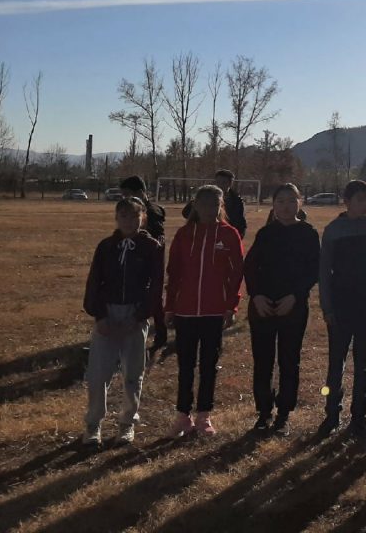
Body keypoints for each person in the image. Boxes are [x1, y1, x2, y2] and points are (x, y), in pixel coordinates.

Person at [81, 197, 164, 446]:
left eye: (135, 216)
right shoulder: (106, 247)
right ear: (116, 218)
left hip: (135, 315)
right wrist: (100, 316)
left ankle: (127, 422)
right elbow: (94, 282)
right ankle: (93, 423)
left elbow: (155, 286)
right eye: (124, 216)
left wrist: (139, 317)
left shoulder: (151, 247)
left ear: (143, 218)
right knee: (98, 374)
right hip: (108, 313)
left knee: (133, 374)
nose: (129, 221)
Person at [165, 184, 244, 438]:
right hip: (185, 312)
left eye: (215, 205)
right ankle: (182, 415)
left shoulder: (229, 234)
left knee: (209, 365)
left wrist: (231, 306)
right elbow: (174, 272)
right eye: (204, 204)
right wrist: (169, 307)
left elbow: (236, 274)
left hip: (214, 312)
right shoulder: (184, 234)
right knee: (185, 365)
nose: (209, 209)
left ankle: (204, 415)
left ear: (221, 207)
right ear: (195, 205)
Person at [243, 183, 320, 436]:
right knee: (263, 360)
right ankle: (264, 412)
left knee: (289, 360)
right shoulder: (266, 234)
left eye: (291, 201)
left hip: (293, 307)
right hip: (263, 307)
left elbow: (313, 269)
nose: (286, 206)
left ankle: (284, 413)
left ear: (300, 203)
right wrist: (257, 296)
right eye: (280, 201)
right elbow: (250, 268)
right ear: (273, 205)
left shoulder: (308, 233)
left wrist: (295, 295)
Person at [319, 179, 366, 436]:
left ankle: (360, 416)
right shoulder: (333, 231)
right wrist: (327, 307)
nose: (365, 204)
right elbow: (324, 272)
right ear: (346, 202)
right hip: (340, 306)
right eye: (359, 199)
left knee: (362, 363)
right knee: (336, 363)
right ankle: (331, 414)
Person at [119, 175, 168, 349]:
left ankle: (160, 333)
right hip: (137, 259)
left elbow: (159, 239)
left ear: (140, 192)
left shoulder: (152, 211)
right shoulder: (139, 209)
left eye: (127, 194)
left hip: (149, 261)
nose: (125, 198)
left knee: (154, 297)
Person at [182, 169, 247, 238]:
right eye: (217, 182)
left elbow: (241, 224)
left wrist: (237, 237)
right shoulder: (204, 197)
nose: (220, 185)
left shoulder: (237, 202)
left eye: (224, 182)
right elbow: (186, 213)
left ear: (230, 183)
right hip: (203, 234)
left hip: (225, 236)